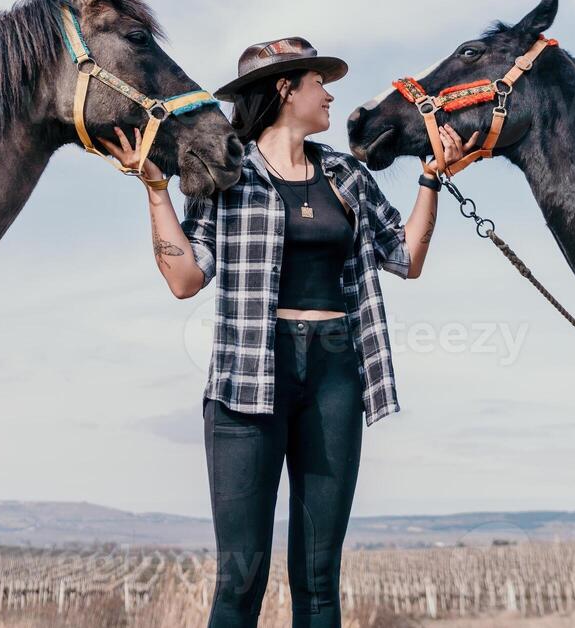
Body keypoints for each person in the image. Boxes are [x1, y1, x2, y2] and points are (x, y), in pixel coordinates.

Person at [100, 37, 474, 628]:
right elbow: (183, 277)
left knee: (320, 580)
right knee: (240, 579)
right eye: (317, 83)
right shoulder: (226, 176)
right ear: (285, 90)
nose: (328, 95)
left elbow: (405, 257)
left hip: (334, 374)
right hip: (247, 375)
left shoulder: (347, 175)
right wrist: (156, 192)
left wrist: (431, 182)